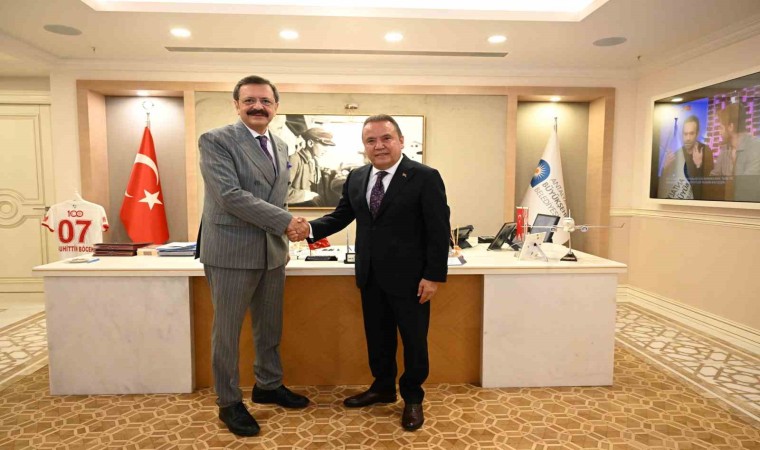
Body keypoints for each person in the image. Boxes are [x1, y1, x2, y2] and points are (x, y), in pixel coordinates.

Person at [289, 114, 450, 431]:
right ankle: (383, 388)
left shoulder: (425, 177)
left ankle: (413, 397)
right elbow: (341, 216)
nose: (379, 146)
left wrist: (433, 276)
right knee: (378, 337)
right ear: (365, 146)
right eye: (371, 140)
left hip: (411, 279)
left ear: (400, 141)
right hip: (370, 275)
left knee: (414, 341)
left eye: (386, 138)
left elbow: (438, 230)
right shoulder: (358, 177)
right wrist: (309, 228)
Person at [197, 75, 310, 437]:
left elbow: (277, 197)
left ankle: (268, 385)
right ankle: (228, 401)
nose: (258, 107)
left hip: (271, 251)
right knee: (227, 333)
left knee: (269, 326)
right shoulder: (216, 140)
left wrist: (286, 233)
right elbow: (229, 195)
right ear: (237, 105)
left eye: (265, 101)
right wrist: (287, 223)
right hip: (230, 250)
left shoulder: (281, 145)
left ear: (276, 107)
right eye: (249, 101)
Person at [711, 102, 760, 201]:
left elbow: (747, 189)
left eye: (721, 127)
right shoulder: (725, 148)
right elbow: (714, 179)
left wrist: (734, 164)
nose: (719, 132)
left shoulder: (756, 147)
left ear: (730, 127)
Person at [287, 127, 335, 206]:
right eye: (323, 145)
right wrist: (306, 195)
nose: (326, 149)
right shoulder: (294, 159)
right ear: (310, 143)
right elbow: (281, 192)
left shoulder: (314, 162)